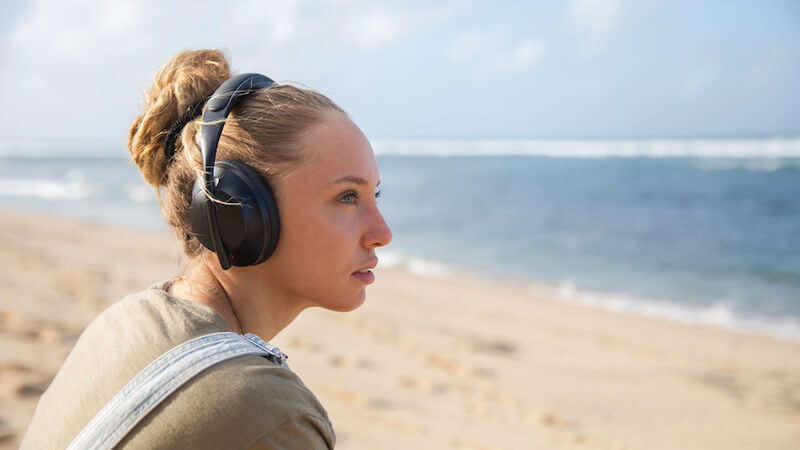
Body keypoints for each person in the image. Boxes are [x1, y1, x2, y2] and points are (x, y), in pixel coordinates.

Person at [21, 49, 392, 449]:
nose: (382, 232)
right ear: (242, 210)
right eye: (348, 197)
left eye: (375, 194)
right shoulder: (271, 416)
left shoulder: (120, 322)